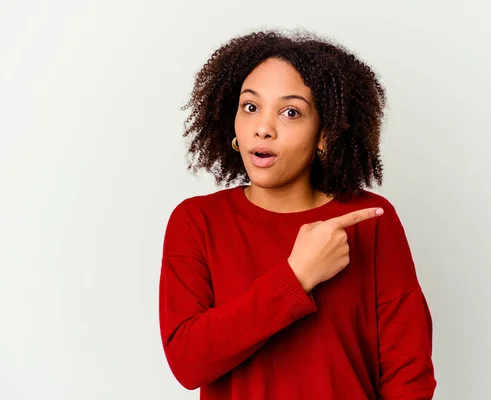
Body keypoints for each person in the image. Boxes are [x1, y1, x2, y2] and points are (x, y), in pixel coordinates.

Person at [159, 30, 436, 399]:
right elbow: (188, 362)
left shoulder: (369, 219)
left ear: (324, 134)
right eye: (250, 107)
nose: (263, 128)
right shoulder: (196, 221)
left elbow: (409, 374)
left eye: (290, 112)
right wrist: (296, 277)